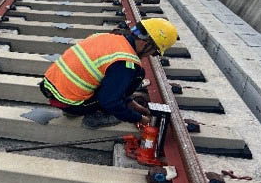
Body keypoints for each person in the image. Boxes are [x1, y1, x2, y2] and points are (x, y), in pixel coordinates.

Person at [39, 18, 178, 129]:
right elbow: (109, 101)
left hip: (49, 87)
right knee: (136, 74)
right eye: (155, 51)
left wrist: (132, 104)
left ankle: (83, 105)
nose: (152, 55)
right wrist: (139, 118)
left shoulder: (108, 37)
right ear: (146, 43)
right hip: (70, 103)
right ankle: (97, 118)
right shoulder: (126, 63)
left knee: (127, 77)